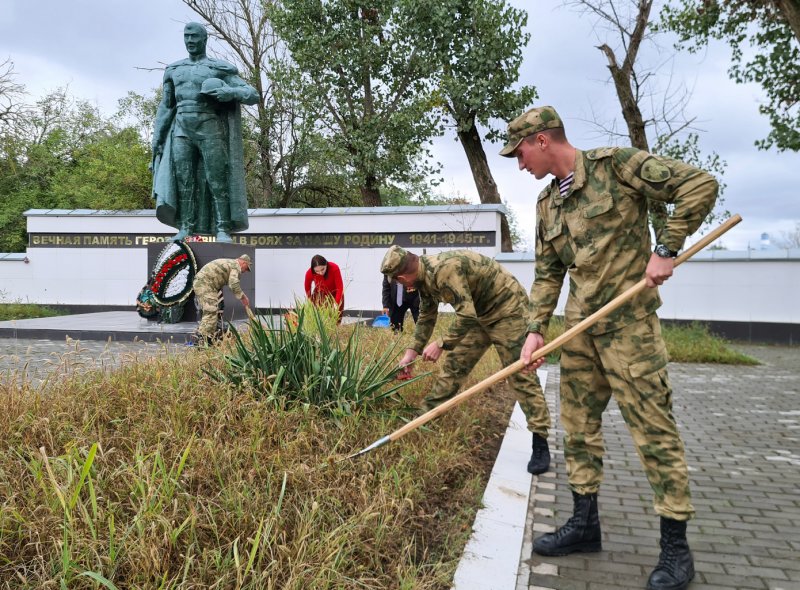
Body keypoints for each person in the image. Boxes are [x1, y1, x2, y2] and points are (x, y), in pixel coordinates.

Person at [501, 106, 718, 590]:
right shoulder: (545, 205)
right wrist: (536, 328)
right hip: (579, 331)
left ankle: (676, 549)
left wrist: (667, 248)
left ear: (540, 140)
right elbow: (548, 272)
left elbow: (699, 184)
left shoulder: (615, 165)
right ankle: (585, 524)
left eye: (519, 153)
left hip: (629, 327)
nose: (519, 165)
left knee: (654, 432)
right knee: (576, 428)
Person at [381, 246, 552, 474]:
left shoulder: (444, 269)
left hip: (508, 310)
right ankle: (421, 420)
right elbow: (427, 315)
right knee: (454, 367)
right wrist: (411, 353)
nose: (399, 285)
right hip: (478, 315)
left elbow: (465, 315)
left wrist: (441, 343)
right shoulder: (423, 277)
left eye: (397, 282)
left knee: (521, 372)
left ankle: (541, 442)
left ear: (401, 277)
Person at [151, 22, 259, 243]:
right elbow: (166, 106)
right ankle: (186, 228)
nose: (190, 41)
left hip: (209, 127)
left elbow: (252, 94)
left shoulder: (219, 68)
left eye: (194, 37)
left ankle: (222, 228)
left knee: (216, 179)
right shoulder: (173, 70)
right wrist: (157, 139)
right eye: (186, 36)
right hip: (181, 129)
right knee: (184, 180)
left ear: (204, 39)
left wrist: (230, 92)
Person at [193, 254, 252, 343]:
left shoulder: (230, 263)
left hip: (207, 285)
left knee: (212, 312)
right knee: (211, 311)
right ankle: (202, 340)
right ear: (243, 263)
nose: (245, 271)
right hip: (205, 285)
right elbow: (234, 284)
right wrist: (243, 298)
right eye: (246, 268)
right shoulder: (235, 266)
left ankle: (208, 337)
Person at [304, 254, 345, 323]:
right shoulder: (309, 272)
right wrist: (310, 300)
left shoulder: (334, 267)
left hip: (336, 294)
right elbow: (307, 287)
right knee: (321, 320)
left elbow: (340, 287)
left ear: (326, 264)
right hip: (320, 296)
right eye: (317, 271)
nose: (320, 273)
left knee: (336, 319)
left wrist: (336, 304)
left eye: (322, 269)